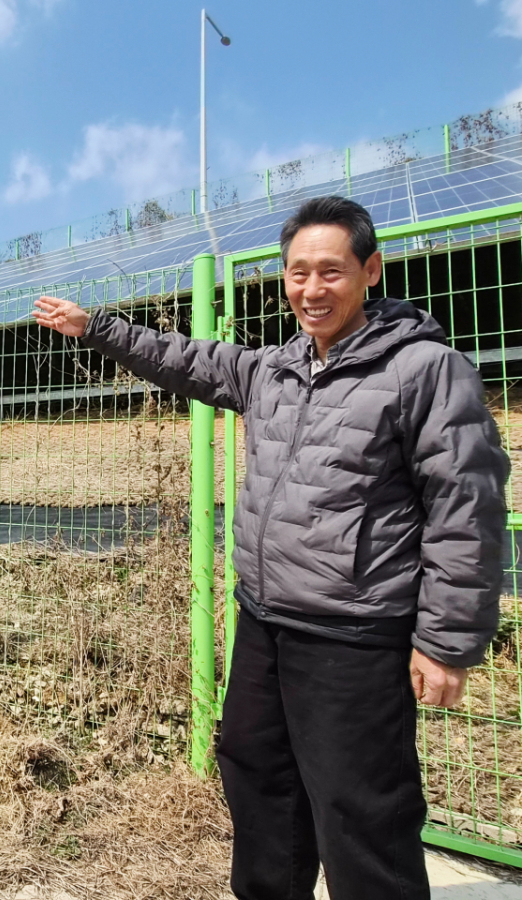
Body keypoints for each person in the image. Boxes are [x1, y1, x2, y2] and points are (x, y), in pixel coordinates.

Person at [33, 196, 509, 900]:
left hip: (354, 633)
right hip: (263, 618)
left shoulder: (425, 370)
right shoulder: (276, 368)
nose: (312, 290)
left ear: (370, 270)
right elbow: (184, 359)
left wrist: (445, 641)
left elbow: (466, 505)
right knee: (258, 780)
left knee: (360, 811)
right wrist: (96, 327)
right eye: (297, 273)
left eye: (331, 271)